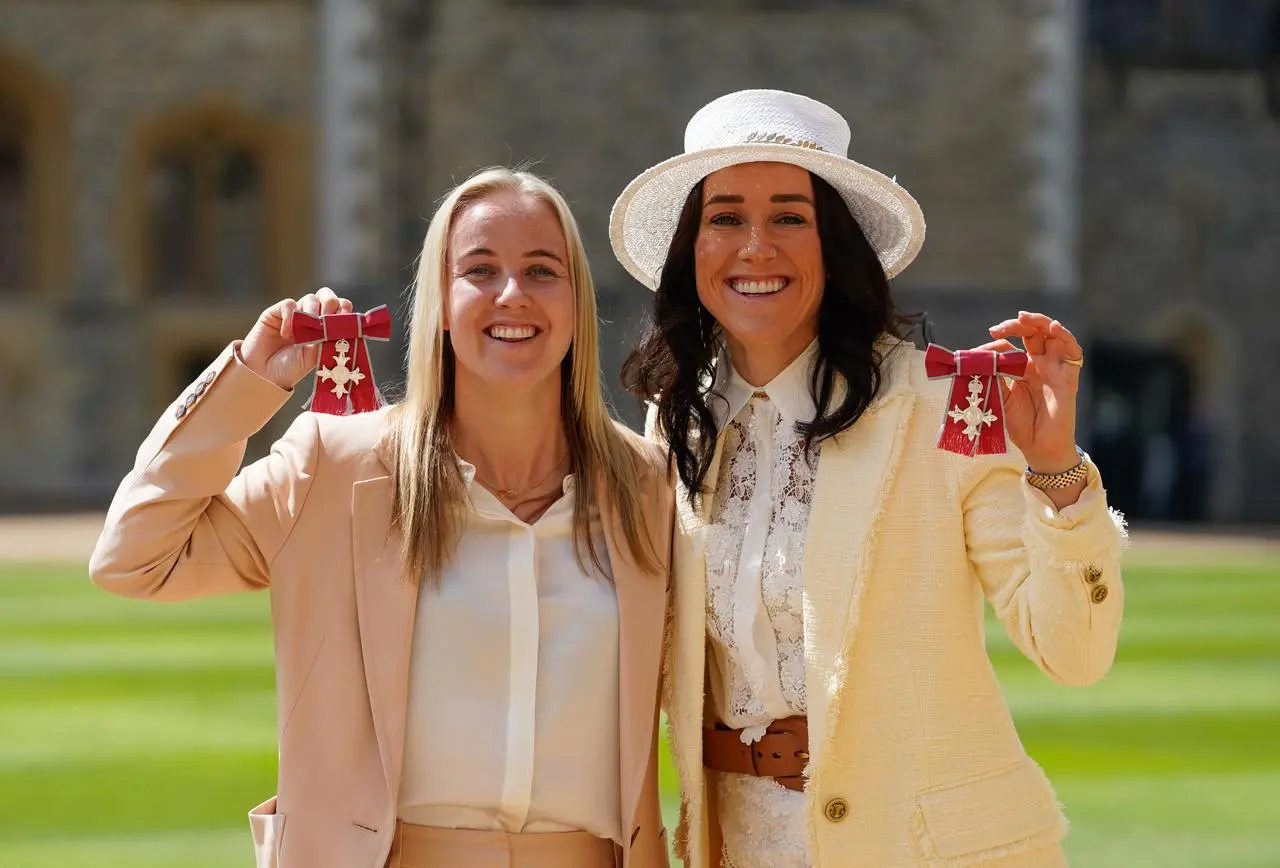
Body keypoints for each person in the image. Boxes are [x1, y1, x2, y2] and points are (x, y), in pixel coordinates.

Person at [89, 167, 674, 868]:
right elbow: (136, 558)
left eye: (541, 270)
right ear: (441, 304)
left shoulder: (649, 485)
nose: (512, 294)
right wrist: (248, 379)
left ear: (576, 301)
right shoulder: (338, 469)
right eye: (480, 269)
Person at [614, 89, 1127, 868]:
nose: (756, 246)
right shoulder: (677, 422)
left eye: (790, 217)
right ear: (692, 247)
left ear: (837, 246)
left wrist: (1054, 466)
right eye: (725, 218)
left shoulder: (944, 400)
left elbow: (1074, 653)